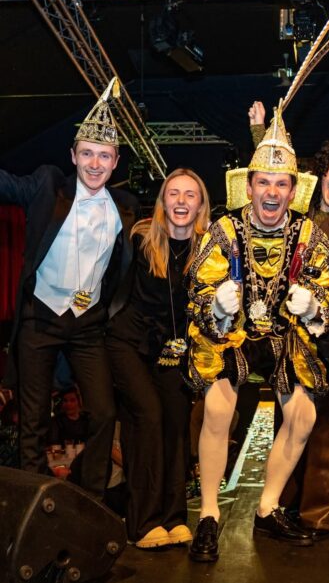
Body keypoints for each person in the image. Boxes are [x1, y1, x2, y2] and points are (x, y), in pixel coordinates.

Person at [187, 105, 329, 562]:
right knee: (218, 409)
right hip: (233, 335)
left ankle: (268, 507)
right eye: (264, 183)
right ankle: (209, 515)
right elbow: (198, 289)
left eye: (281, 184)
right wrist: (217, 305)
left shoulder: (309, 234)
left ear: (293, 191)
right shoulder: (225, 229)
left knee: (303, 416)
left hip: (284, 338)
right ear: (250, 186)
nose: (272, 192)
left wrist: (313, 306)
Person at [248, 100, 329, 536]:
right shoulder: (298, 211)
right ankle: (280, 507)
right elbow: (270, 180)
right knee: (289, 425)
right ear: (320, 173)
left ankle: (322, 515)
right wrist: (260, 133)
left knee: (326, 428)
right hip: (288, 337)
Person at [0, 77, 139, 498]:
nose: (95, 164)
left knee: (104, 413)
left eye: (104, 155)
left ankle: (89, 499)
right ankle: (34, 503)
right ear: (73, 155)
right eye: (88, 154)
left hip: (87, 325)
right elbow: (8, 184)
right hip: (40, 318)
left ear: (116, 162)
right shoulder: (47, 186)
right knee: (33, 421)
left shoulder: (125, 208)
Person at [106, 168, 210, 548]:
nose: (181, 201)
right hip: (128, 343)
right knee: (147, 416)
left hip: (173, 349)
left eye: (190, 194)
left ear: (200, 205)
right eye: (173, 193)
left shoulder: (208, 251)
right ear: (163, 201)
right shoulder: (139, 239)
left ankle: (174, 517)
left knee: (176, 421)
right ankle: (143, 523)